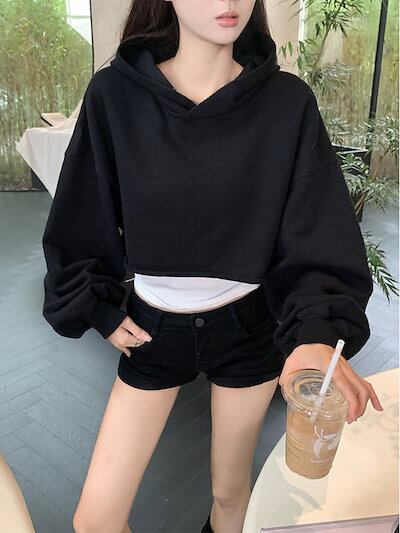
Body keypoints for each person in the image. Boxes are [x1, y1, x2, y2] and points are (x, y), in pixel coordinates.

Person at [41, 1, 384, 532]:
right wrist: (99, 308)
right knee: (95, 520)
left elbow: (316, 229)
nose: (227, 3)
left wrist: (316, 333)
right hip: (151, 328)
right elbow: (82, 213)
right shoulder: (115, 95)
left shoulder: (287, 104)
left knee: (230, 494)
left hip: (248, 328)